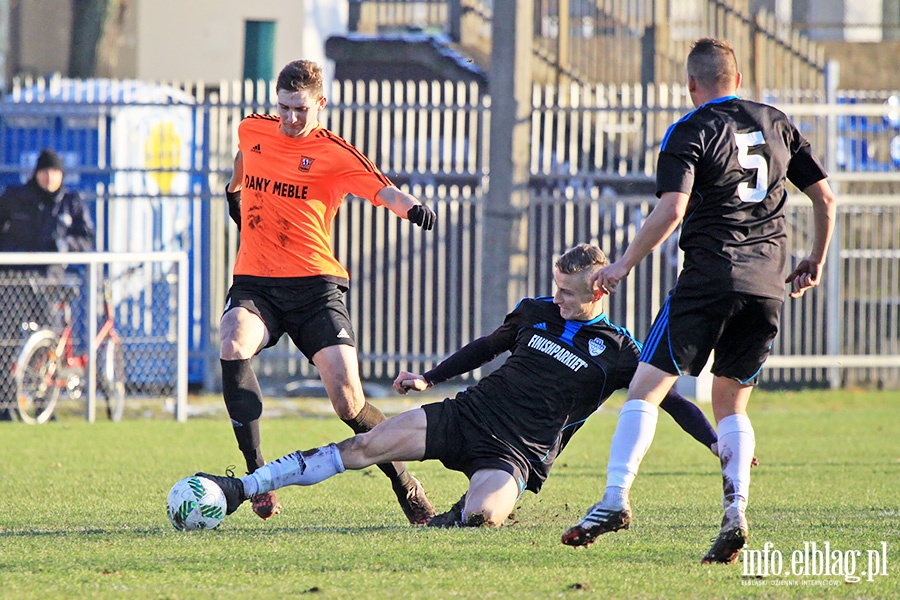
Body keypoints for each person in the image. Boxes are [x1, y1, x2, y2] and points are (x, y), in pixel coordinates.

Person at [197, 244, 720, 528]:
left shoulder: (619, 350)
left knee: (483, 516)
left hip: (518, 454)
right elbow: (485, 347)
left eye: (567, 291)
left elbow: (667, 401)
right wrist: (430, 377)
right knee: (362, 446)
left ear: (599, 289)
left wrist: (716, 441)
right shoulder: (535, 312)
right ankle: (246, 487)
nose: (556, 297)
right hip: (467, 415)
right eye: (555, 286)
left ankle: (445, 519)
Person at [561, 38, 836, 564]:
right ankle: (736, 508)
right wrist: (815, 260)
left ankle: (615, 499)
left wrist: (622, 265)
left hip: (709, 277)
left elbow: (671, 210)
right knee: (731, 401)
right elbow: (824, 197)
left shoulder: (690, 130)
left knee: (645, 389)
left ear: (692, 85)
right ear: (737, 78)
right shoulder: (777, 121)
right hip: (767, 284)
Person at [219, 59, 438, 524]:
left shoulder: (336, 153)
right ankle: (256, 474)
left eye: (300, 109)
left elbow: (384, 191)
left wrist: (413, 208)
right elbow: (243, 159)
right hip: (256, 281)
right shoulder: (252, 128)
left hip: (316, 287)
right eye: (283, 107)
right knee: (233, 339)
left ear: (320, 103)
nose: (291, 118)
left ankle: (403, 479)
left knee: (349, 403)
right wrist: (234, 193)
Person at [0, 148, 95, 420]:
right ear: (36, 173)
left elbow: (87, 239)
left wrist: (65, 246)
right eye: (44, 171)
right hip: (13, 280)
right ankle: (5, 403)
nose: (49, 177)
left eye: (54, 172)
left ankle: (44, 403)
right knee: (6, 343)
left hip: (49, 282)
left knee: (48, 343)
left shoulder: (70, 202)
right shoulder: (15, 197)